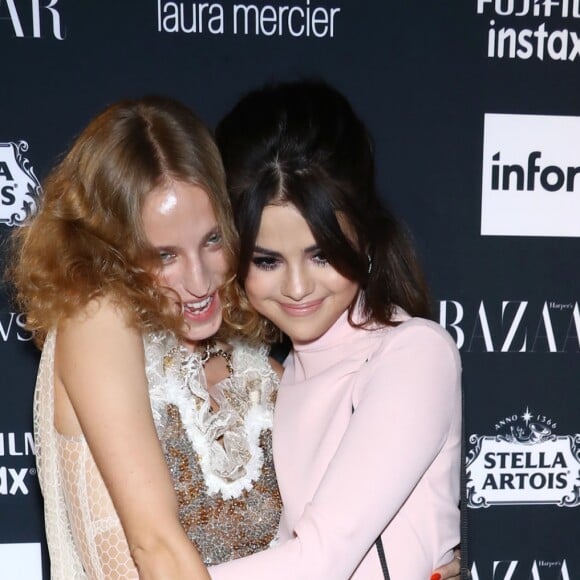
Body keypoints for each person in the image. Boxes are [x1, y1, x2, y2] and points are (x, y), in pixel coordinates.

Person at [8, 96, 282, 579]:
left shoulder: (258, 369)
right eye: (165, 255)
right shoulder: (96, 319)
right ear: (110, 249)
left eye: (212, 240)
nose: (199, 281)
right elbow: (154, 545)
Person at [209, 80, 462, 579]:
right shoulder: (280, 377)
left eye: (321, 254)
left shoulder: (414, 354)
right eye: (267, 260)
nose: (298, 287)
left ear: (363, 234)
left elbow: (319, 561)